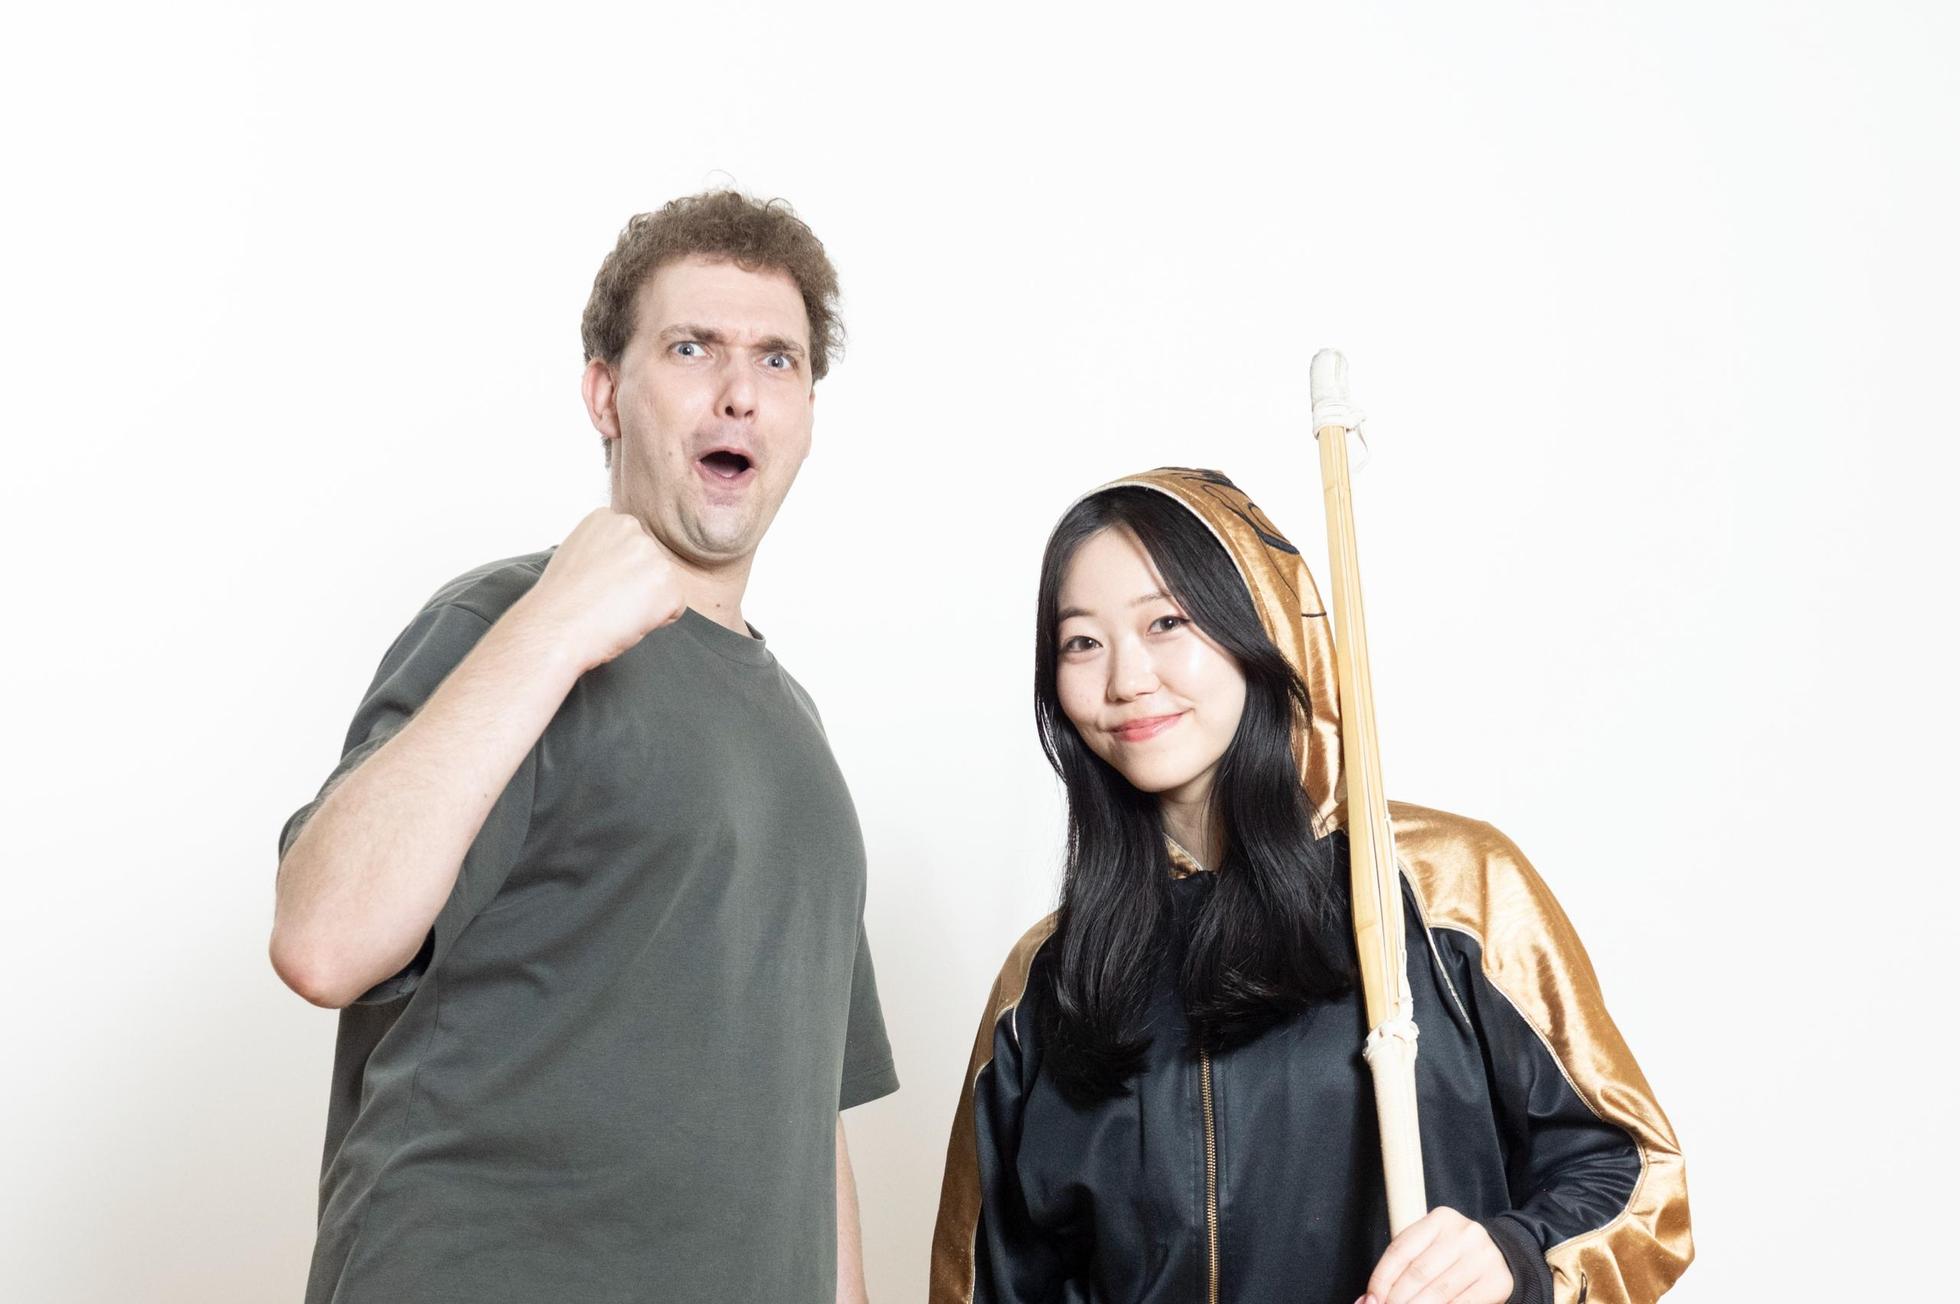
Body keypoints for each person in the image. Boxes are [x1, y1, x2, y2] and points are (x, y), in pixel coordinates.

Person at [271, 190, 898, 1303]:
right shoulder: (503, 625)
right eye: (692, 347)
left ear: (805, 411)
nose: (740, 391)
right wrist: (557, 621)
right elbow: (323, 939)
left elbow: (807, 1124)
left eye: (779, 360)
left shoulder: (798, 734)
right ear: (606, 393)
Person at [928, 468, 1692, 1304]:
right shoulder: (1047, 979)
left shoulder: (1448, 892)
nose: (1127, 679)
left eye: (1166, 622)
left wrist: (1515, 1259)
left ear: (1259, 625)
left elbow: (1637, 1179)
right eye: (1082, 642)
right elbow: (987, 1282)